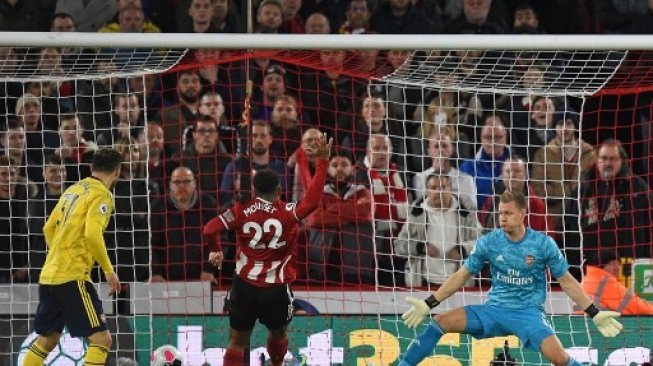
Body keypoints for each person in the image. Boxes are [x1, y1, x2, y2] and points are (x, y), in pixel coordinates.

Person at [398, 190, 623, 366]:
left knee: (560, 359)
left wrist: (593, 312)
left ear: (522, 214)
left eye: (508, 213)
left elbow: (566, 281)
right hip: (494, 310)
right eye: (500, 213)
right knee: (440, 322)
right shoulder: (489, 242)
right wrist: (429, 302)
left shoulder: (543, 244)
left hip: (528, 313)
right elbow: (461, 275)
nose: (502, 218)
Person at [202, 132, 331, 366]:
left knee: (237, 342)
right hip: (276, 288)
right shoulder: (288, 212)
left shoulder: (240, 209)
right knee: (278, 334)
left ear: (254, 189)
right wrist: (322, 163)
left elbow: (209, 229)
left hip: (244, 285)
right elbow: (312, 202)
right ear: (279, 189)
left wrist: (215, 250)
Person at [22, 148, 122, 366]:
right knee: (102, 340)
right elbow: (92, 234)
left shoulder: (73, 190)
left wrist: (60, 252)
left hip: (49, 275)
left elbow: (48, 228)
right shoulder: (102, 194)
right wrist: (108, 271)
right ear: (117, 171)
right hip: (72, 277)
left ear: (92, 167)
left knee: (46, 341)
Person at [582, 250, 653, 315]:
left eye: (619, 264)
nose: (618, 268)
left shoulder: (586, 280)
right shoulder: (608, 284)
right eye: (612, 264)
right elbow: (638, 307)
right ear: (602, 265)